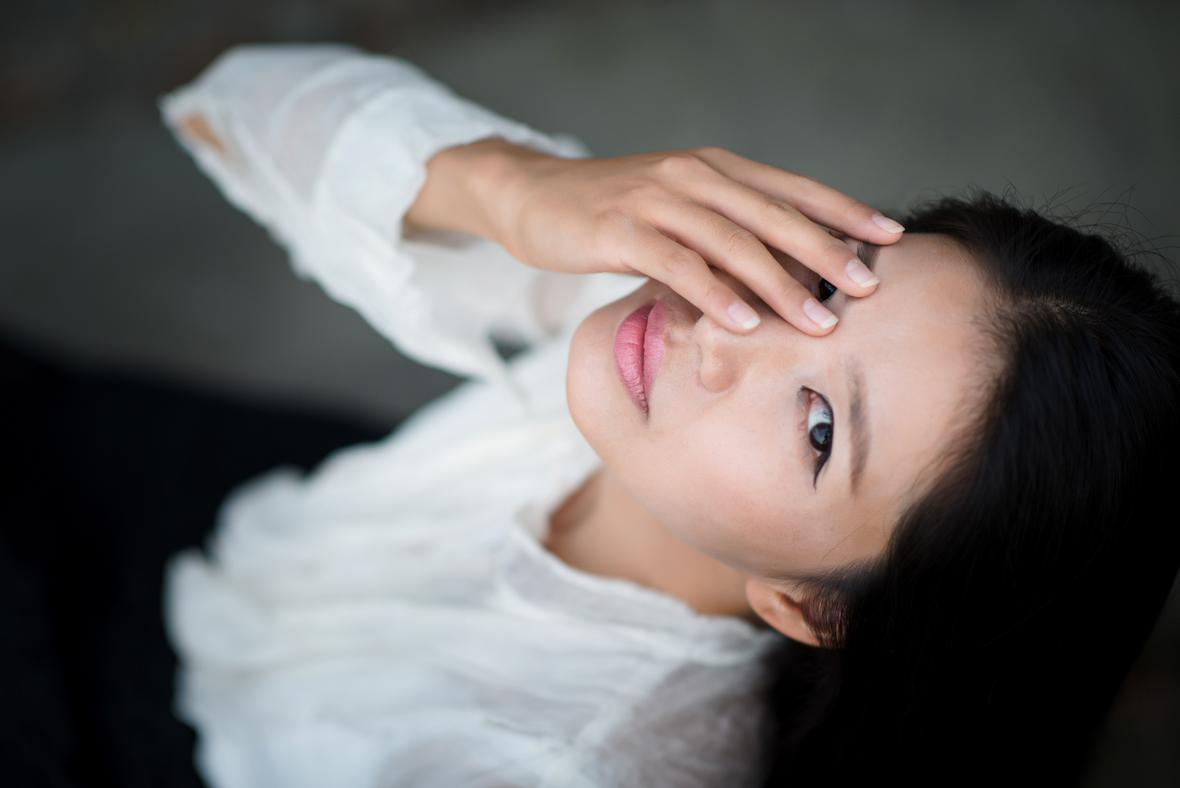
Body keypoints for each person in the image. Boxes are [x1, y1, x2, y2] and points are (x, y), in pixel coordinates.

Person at [5, 41, 1175, 787]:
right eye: (824, 286)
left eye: (820, 428)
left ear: (811, 604)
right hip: (234, 519)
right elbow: (228, 101)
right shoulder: (676, 305)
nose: (726, 333)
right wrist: (514, 187)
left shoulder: (559, 760)